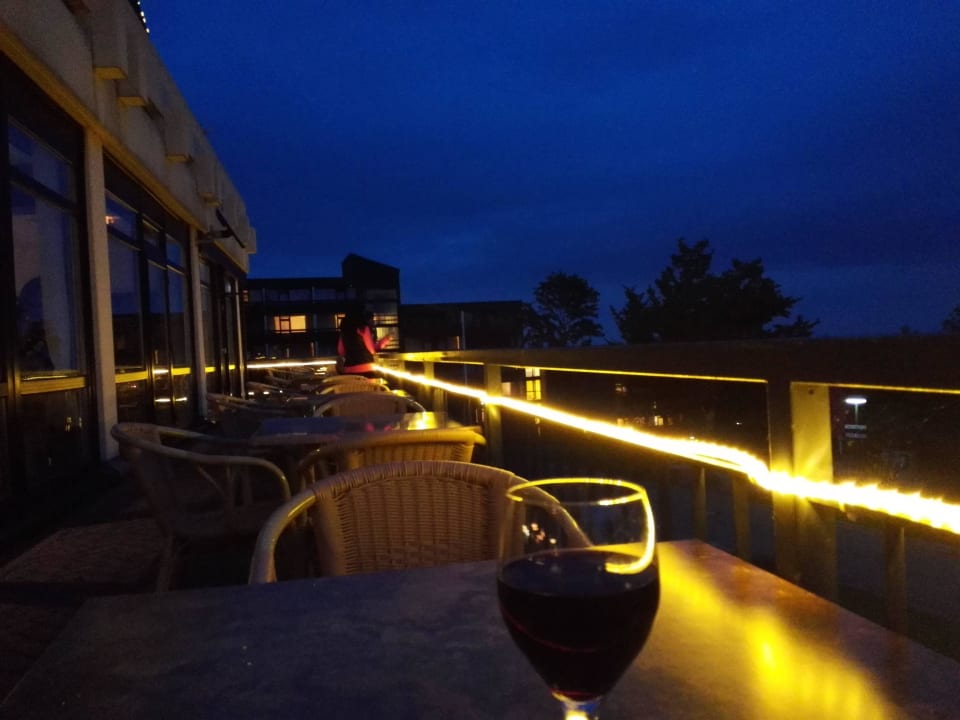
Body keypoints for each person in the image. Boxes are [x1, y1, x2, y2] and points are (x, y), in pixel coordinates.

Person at [336, 310, 391, 378]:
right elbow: (372, 350)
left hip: (349, 370)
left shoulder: (344, 332)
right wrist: (385, 340)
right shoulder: (363, 328)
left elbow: (341, 351)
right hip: (365, 369)